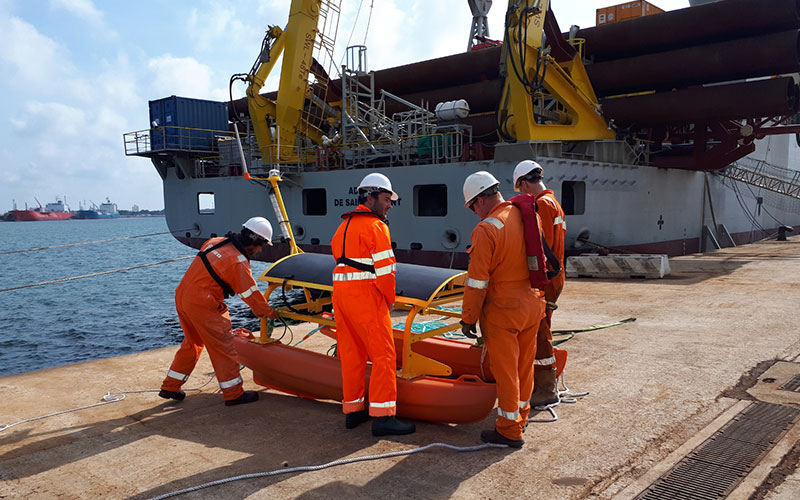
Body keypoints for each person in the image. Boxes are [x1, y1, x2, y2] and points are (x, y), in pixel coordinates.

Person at [461, 171, 546, 448]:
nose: (474, 213)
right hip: (532, 305)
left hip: (503, 312)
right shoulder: (528, 216)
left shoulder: (487, 229)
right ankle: (520, 417)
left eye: (472, 207)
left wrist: (468, 318)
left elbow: (476, 282)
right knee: (524, 368)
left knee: (507, 372)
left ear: (480, 200)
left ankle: (509, 430)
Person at [159, 217, 278, 406]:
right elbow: (250, 294)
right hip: (203, 302)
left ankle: (170, 386)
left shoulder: (215, 242)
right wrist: (268, 312)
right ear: (255, 241)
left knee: (193, 342)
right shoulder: (238, 262)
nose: (260, 251)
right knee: (223, 347)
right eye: (261, 245)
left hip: (183, 295)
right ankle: (233, 393)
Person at [330, 172, 415, 436]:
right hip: (367, 297)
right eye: (387, 199)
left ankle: (353, 411)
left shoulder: (343, 226)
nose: (390, 204)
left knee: (352, 355)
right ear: (370, 196)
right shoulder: (376, 227)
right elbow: (387, 271)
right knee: (384, 356)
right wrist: (389, 300)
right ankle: (383, 417)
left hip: (341, 297)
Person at [513, 160, 567, 407]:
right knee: (540, 329)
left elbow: (539, 246)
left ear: (524, 183)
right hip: (554, 277)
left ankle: (545, 390)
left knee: (540, 331)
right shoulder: (553, 202)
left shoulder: (541, 205)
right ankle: (539, 383)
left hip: (546, 279)